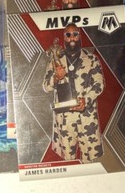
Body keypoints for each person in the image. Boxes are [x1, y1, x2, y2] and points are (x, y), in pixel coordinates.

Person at [43, 24, 104, 163]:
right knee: (67, 162)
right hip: (65, 119)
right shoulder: (55, 61)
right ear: (64, 37)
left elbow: (99, 84)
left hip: (86, 116)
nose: (72, 38)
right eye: (68, 35)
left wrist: (86, 100)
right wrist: (55, 77)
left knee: (89, 163)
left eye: (75, 34)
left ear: (79, 36)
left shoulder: (91, 59)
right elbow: (46, 86)